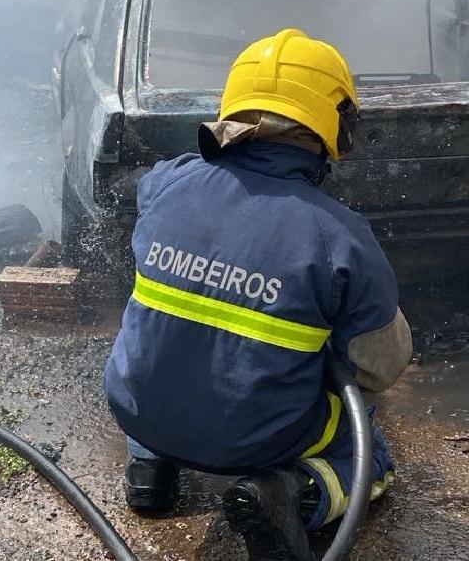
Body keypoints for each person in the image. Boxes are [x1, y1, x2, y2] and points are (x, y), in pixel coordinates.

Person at [104, 28, 413, 560]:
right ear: (334, 121)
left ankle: (150, 470)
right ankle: (288, 494)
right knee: (367, 454)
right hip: (256, 442)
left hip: (137, 410)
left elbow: (159, 196)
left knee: (166, 357)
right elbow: (379, 368)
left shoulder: (169, 183)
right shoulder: (341, 238)